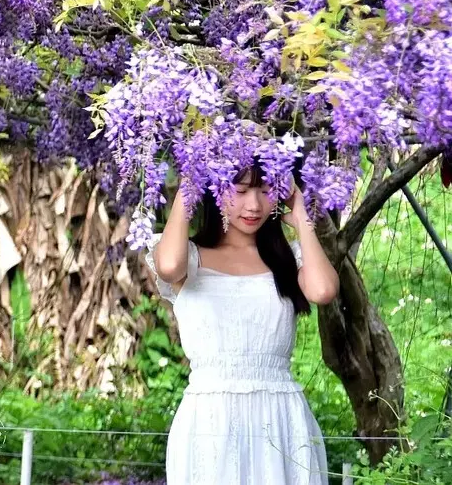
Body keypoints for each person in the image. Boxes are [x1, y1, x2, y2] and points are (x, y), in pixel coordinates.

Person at [146, 158, 340, 485]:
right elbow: (167, 265)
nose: (254, 205)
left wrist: (301, 215)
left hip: (280, 417)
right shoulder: (190, 258)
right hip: (209, 420)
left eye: (266, 190)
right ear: (215, 187)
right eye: (239, 189)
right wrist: (191, 181)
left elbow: (323, 291)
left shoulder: (288, 258)